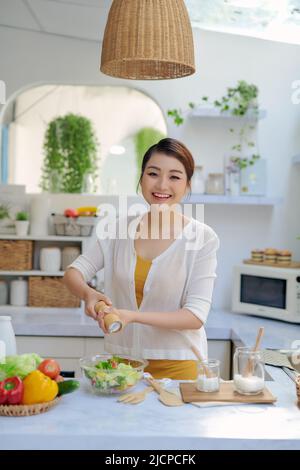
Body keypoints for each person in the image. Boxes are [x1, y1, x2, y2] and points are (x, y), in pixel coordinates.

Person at [63, 138, 219, 380]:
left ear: (187, 185)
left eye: (174, 177)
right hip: (122, 366)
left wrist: (133, 317)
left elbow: (195, 316)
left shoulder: (202, 238)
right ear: (141, 178)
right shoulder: (118, 229)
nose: (162, 184)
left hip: (177, 369)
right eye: (153, 173)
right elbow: (74, 272)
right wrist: (89, 294)